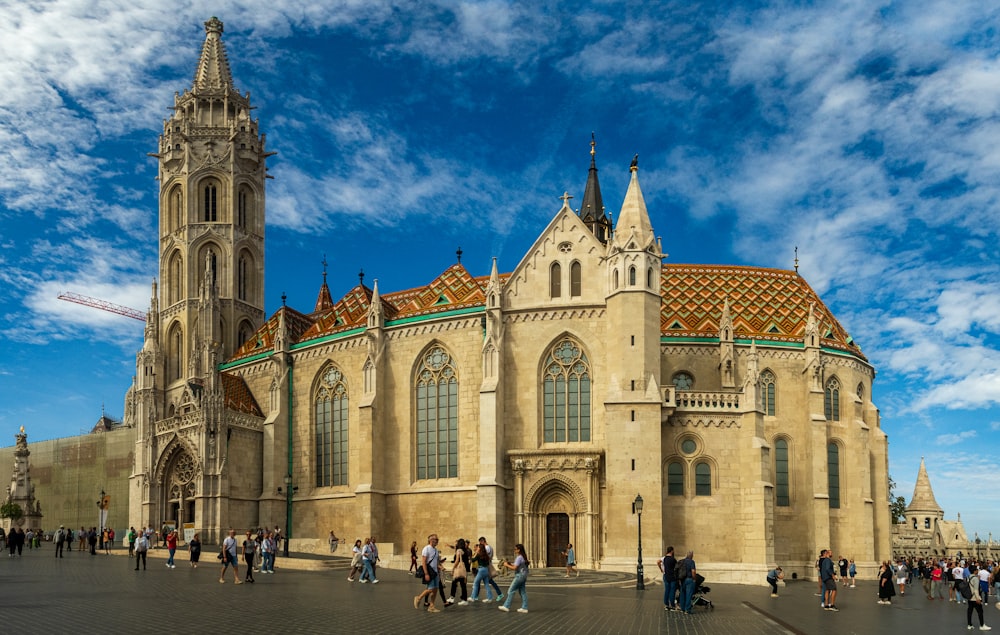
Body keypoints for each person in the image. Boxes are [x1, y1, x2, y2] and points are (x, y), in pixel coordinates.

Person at [497, 543, 529, 613]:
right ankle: (525, 607)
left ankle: (506, 606)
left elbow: (514, 568)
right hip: (524, 575)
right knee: (522, 592)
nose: (514, 550)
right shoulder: (523, 556)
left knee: (511, 590)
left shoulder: (519, 557)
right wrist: (510, 564)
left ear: (519, 550)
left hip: (519, 576)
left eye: (515, 549)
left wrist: (506, 565)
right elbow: (516, 565)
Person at [414, 534, 442, 612]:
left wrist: (440, 567)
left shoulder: (436, 550)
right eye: (436, 539)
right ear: (431, 540)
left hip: (435, 572)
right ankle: (418, 598)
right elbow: (423, 562)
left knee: (435, 589)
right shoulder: (426, 549)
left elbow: (436, 562)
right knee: (430, 589)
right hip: (429, 572)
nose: (437, 541)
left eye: (437, 539)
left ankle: (431, 606)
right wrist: (426, 573)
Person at [967, 564, 992, 631]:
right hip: (975, 597)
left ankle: (969, 625)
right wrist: (978, 598)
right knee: (980, 611)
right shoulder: (975, 578)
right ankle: (982, 625)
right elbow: (976, 589)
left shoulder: (968, 577)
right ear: (975, 571)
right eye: (977, 570)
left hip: (970, 597)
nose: (978, 571)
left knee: (970, 611)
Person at [447, 538, 470, 606]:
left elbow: (457, 560)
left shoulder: (459, 550)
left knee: (454, 582)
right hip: (463, 569)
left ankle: (452, 597)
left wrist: (453, 569)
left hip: (459, 569)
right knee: (463, 585)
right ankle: (464, 599)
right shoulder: (465, 551)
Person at [657, 546, 678, 610]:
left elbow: (658, 562)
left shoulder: (664, 558)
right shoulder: (673, 559)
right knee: (672, 591)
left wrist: (661, 569)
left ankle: (666, 604)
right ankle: (672, 605)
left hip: (666, 576)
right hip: (672, 577)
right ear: (672, 551)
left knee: (667, 590)